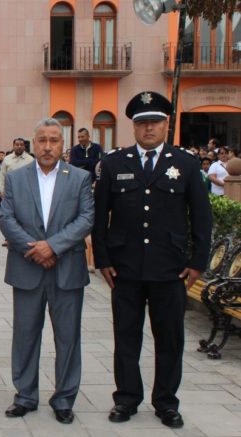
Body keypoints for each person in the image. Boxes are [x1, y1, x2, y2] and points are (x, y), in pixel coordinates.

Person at [92, 91, 212, 429]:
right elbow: (100, 218)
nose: (149, 128)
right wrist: (102, 259)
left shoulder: (186, 164)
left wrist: (197, 262)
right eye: (142, 122)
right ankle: (126, 398)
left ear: (165, 125)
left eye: (155, 122)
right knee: (126, 337)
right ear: (134, 127)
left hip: (170, 268)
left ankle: (166, 402)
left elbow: (201, 218)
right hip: (125, 268)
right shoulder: (115, 164)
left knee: (170, 339)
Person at [0, 118, 94, 424]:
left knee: (68, 337)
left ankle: (64, 399)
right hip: (28, 268)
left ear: (63, 145)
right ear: (33, 144)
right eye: (42, 140)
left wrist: (52, 246)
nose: (48, 146)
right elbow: (6, 218)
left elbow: (86, 218)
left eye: (54, 140)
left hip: (67, 270)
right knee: (25, 335)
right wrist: (36, 249)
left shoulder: (79, 178)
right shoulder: (17, 178)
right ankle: (25, 396)